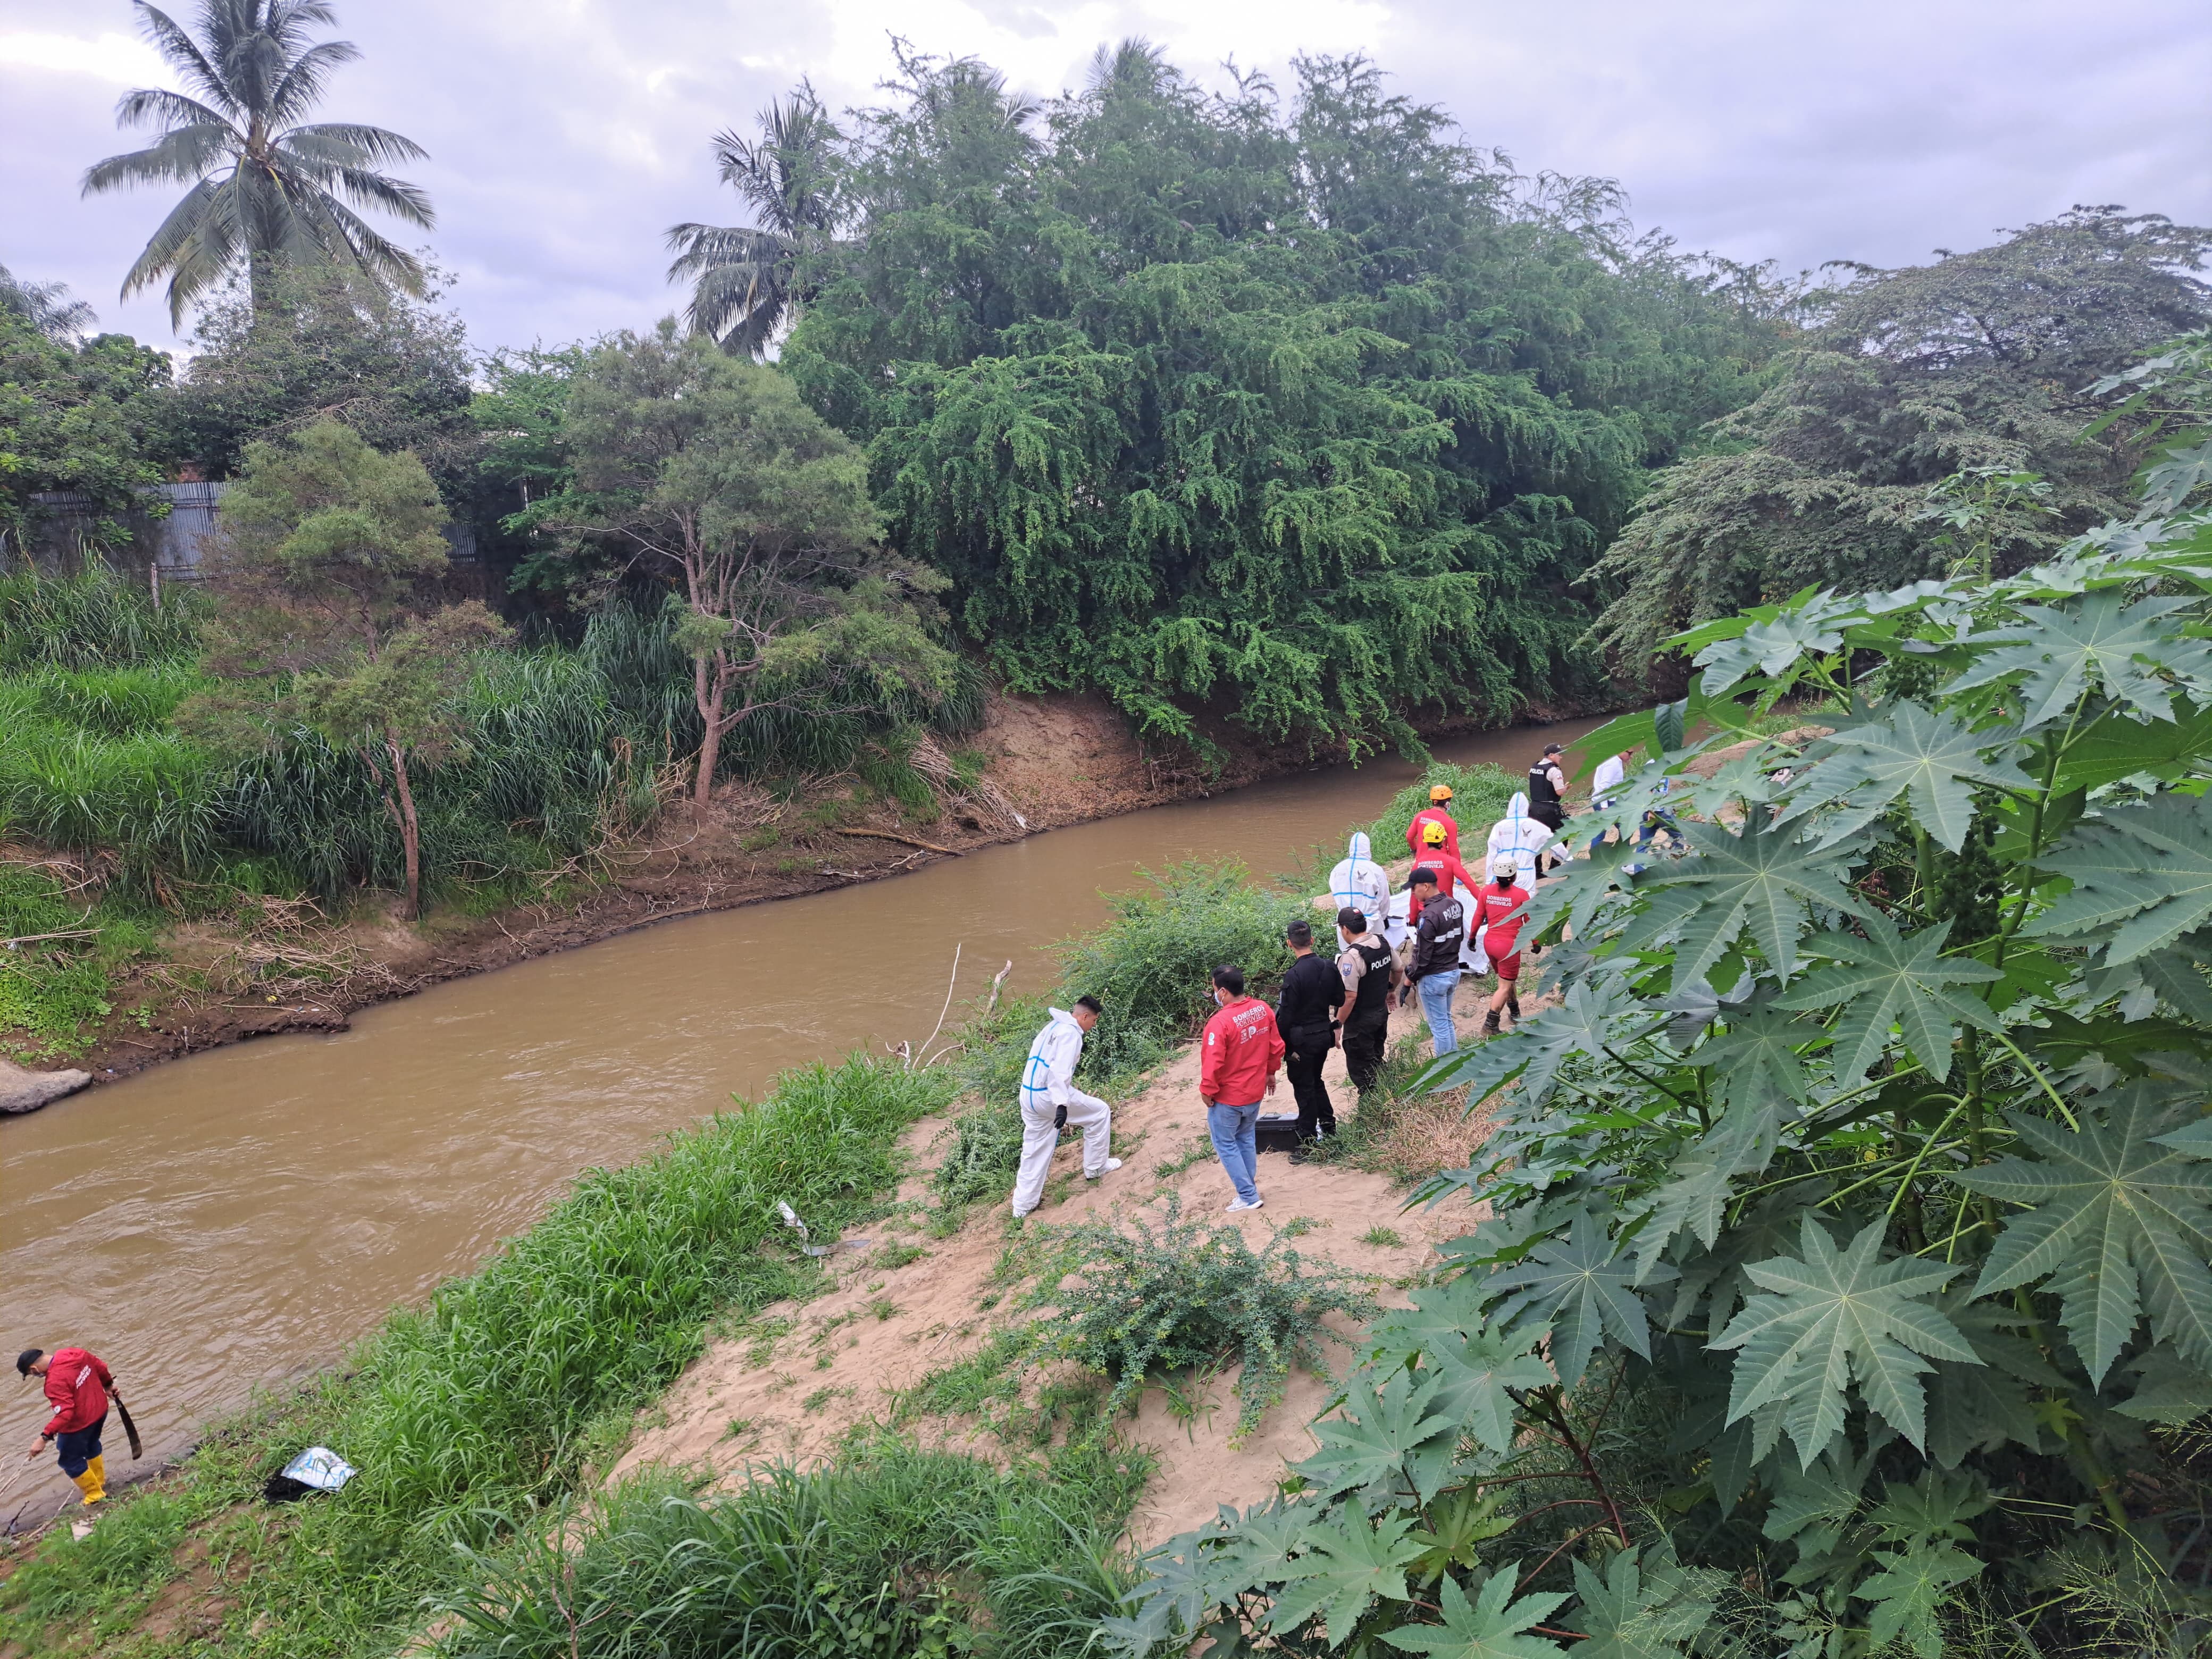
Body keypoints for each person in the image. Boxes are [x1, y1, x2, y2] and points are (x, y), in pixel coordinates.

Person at [1011, 996, 1121, 1219]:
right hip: (1048, 1097)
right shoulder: (1071, 1034)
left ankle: (1022, 1206)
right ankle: (1096, 1168)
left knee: (1034, 1148)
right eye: (1094, 1021)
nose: (1094, 1026)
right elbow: (1059, 1072)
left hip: (1028, 1094)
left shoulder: (1054, 1025)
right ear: (1085, 1016)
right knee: (1100, 1112)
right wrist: (1062, 1105)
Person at [1200, 965, 1284, 1212]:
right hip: (1255, 1092)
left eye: (1214, 989)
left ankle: (1248, 1196)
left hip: (1229, 1097)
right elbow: (1275, 1045)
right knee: (1246, 1138)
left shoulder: (1220, 1022)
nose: (1214, 994)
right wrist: (1271, 1073)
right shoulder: (1262, 1009)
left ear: (1223, 992)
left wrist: (1207, 1090)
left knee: (1225, 1144)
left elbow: (1213, 1062)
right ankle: (1248, 1189)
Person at [18, 1346, 115, 1514]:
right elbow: (100, 1366)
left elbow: (65, 1414)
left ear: (34, 1369)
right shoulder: (73, 1353)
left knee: (70, 1460)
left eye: (32, 1374)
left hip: (80, 1424)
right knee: (91, 1445)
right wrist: (108, 1386)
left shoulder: (54, 1382)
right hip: (100, 1411)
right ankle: (99, 1482)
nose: (36, 1376)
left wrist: (43, 1438)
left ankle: (94, 1494)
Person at [1275, 919, 1345, 1153]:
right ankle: (1329, 1128)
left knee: (1304, 1088)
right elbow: (1341, 999)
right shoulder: (1328, 967)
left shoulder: (1293, 975)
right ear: (1312, 940)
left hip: (1301, 1042)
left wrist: (1284, 1046)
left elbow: (1285, 1017)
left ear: (1289, 944)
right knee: (1316, 1081)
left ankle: (1307, 1141)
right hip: (1323, 1037)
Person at [1334, 906, 1400, 1096]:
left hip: (1360, 1022)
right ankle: (1387, 1095)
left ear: (1345, 929)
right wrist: (1391, 990)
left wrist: (1338, 1024)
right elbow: (1398, 970)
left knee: (1362, 1071)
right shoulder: (1382, 942)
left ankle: (1372, 1108)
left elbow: (1350, 996)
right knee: (1376, 1058)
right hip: (1380, 1013)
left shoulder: (1351, 957)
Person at [1402, 868, 1466, 1058]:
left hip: (1434, 977)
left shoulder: (1428, 916)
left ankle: (1444, 1069)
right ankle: (1454, 1061)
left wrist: (1409, 980)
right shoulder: (1455, 905)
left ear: (1426, 886)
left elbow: (1423, 957)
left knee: (1439, 1027)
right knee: (1445, 1020)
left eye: (1414, 888)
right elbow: (1459, 937)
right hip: (1453, 970)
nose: (1413, 893)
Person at [1472, 854, 1534, 1035]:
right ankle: (1490, 1025)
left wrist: (1472, 938)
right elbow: (1529, 921)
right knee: (1504, 986)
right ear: (1514, 875)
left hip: (1490, 943)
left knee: (1506, 981)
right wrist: (1536, 942)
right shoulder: (1522, 895)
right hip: (1509, 947)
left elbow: (1478, 917)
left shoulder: (1486, 892)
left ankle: (1515, 1013)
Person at [1405, 820, 1479, 927]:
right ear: (1443, 840)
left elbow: (1414, 896)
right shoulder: (1451, 862)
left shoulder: (1418, 864)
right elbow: (1471, 885)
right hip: (1448, 913)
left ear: (1425, 841)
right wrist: (1486, 907)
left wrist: (1413, 920)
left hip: (1426, 915)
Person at [1487, 792, 1552, 889]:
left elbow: (1492, 854)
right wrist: (1568, 860)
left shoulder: (1500, 826)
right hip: (1526, 874)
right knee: (1526, 901)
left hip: (1503, 873)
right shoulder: (1535, 825)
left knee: (1505, 901)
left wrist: (1490, 879)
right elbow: (1554, 842)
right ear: (1527, 808)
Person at [1328, 831, 1391, 929]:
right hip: (1371, 923)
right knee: (1374, 944)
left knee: (1350, 945)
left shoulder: (1337, 870)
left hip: (1345, 927)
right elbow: (1383, 898)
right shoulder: (1375, 869)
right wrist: (1382, 918)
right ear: (1368, 848)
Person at [1526, 744, 1569, 870]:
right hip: (1549, 810)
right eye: (1559, 754)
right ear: (1551, 755)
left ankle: (1537, 870)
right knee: (1563, 835)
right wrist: (1566, 788)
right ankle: (1555, 868)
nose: (1561, 757)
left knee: (1536, 840)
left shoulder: (1533, 768)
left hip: (1533, 809)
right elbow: (1559, 792)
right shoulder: (1554, 770)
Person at [1405, 783, 1462, 863]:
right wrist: (1457, 869)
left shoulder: (1420, 816)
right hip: (1441, 864)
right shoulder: (1449, 822)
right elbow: (1453, 850)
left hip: (1422, 863)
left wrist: (1415, 850)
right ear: (1447, 804)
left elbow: (1409, 837)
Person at [1588, 748, 1629, 854]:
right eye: (1629, 753)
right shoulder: (1613, 764)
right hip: (1606, 802)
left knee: (1625, 829)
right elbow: (1603, 786)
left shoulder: (1614, 761)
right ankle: (1598, 858)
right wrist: (1604, 806)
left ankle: (1621, 855)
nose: (1631, 756)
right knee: (1622, 829)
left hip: (1609, 801)